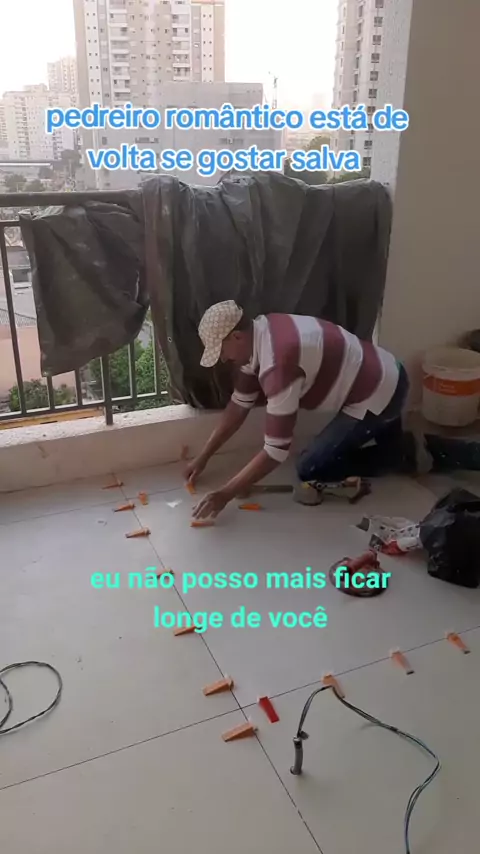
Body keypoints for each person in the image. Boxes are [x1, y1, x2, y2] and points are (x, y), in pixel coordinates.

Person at [188, 300, 411, 520]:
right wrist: (202, 457)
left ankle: (399, 455)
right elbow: (238, 406)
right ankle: (389, 429)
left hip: (380, 392)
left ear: (237, 336)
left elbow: (276, 451)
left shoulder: (279, 365)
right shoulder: (263, 330)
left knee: (309, 467)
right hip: (385, 369)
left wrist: (225, 494)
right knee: (368, 429)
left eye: (221, 350)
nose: (223, 358)